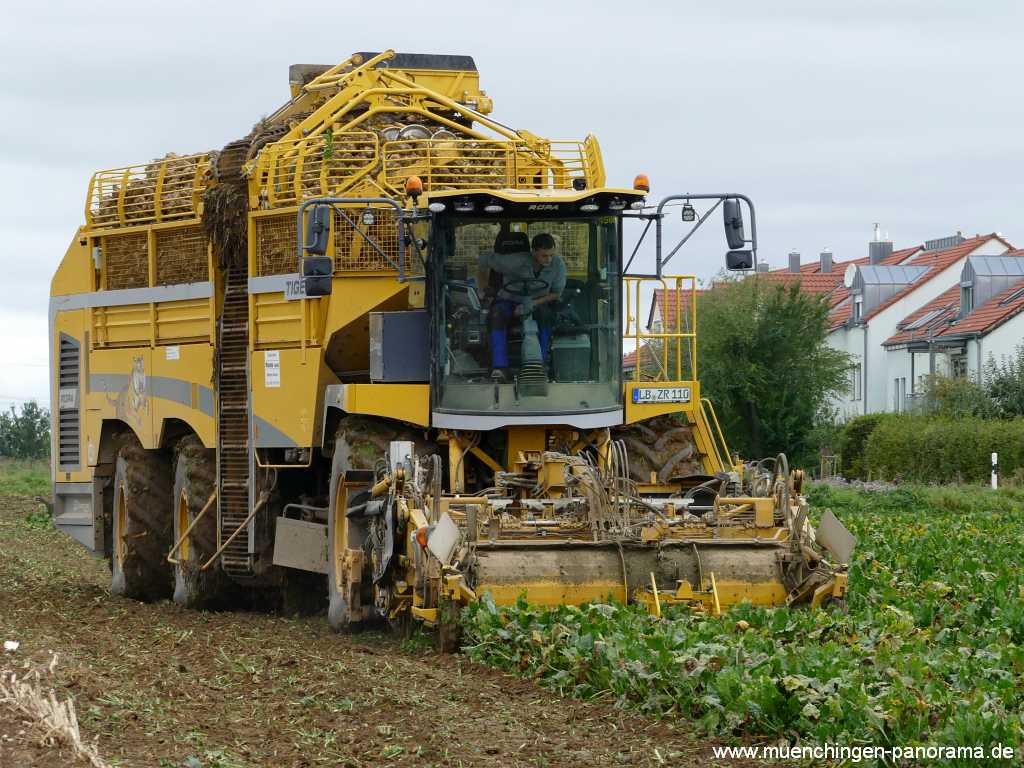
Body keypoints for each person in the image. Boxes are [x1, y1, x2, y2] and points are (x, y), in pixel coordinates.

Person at [477, 232, 566, 377]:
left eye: (551, 255)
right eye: (544, 255)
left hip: (538, 302)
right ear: (534, 251)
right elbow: (483, 261)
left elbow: (556, 293)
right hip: (509, 300)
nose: (549, 259)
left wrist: (533, 303)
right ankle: (499, 367)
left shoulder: (558, 264)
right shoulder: (515, 261)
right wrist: (482, 289)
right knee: (496, 314)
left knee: (546, 315)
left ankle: (540, 364)